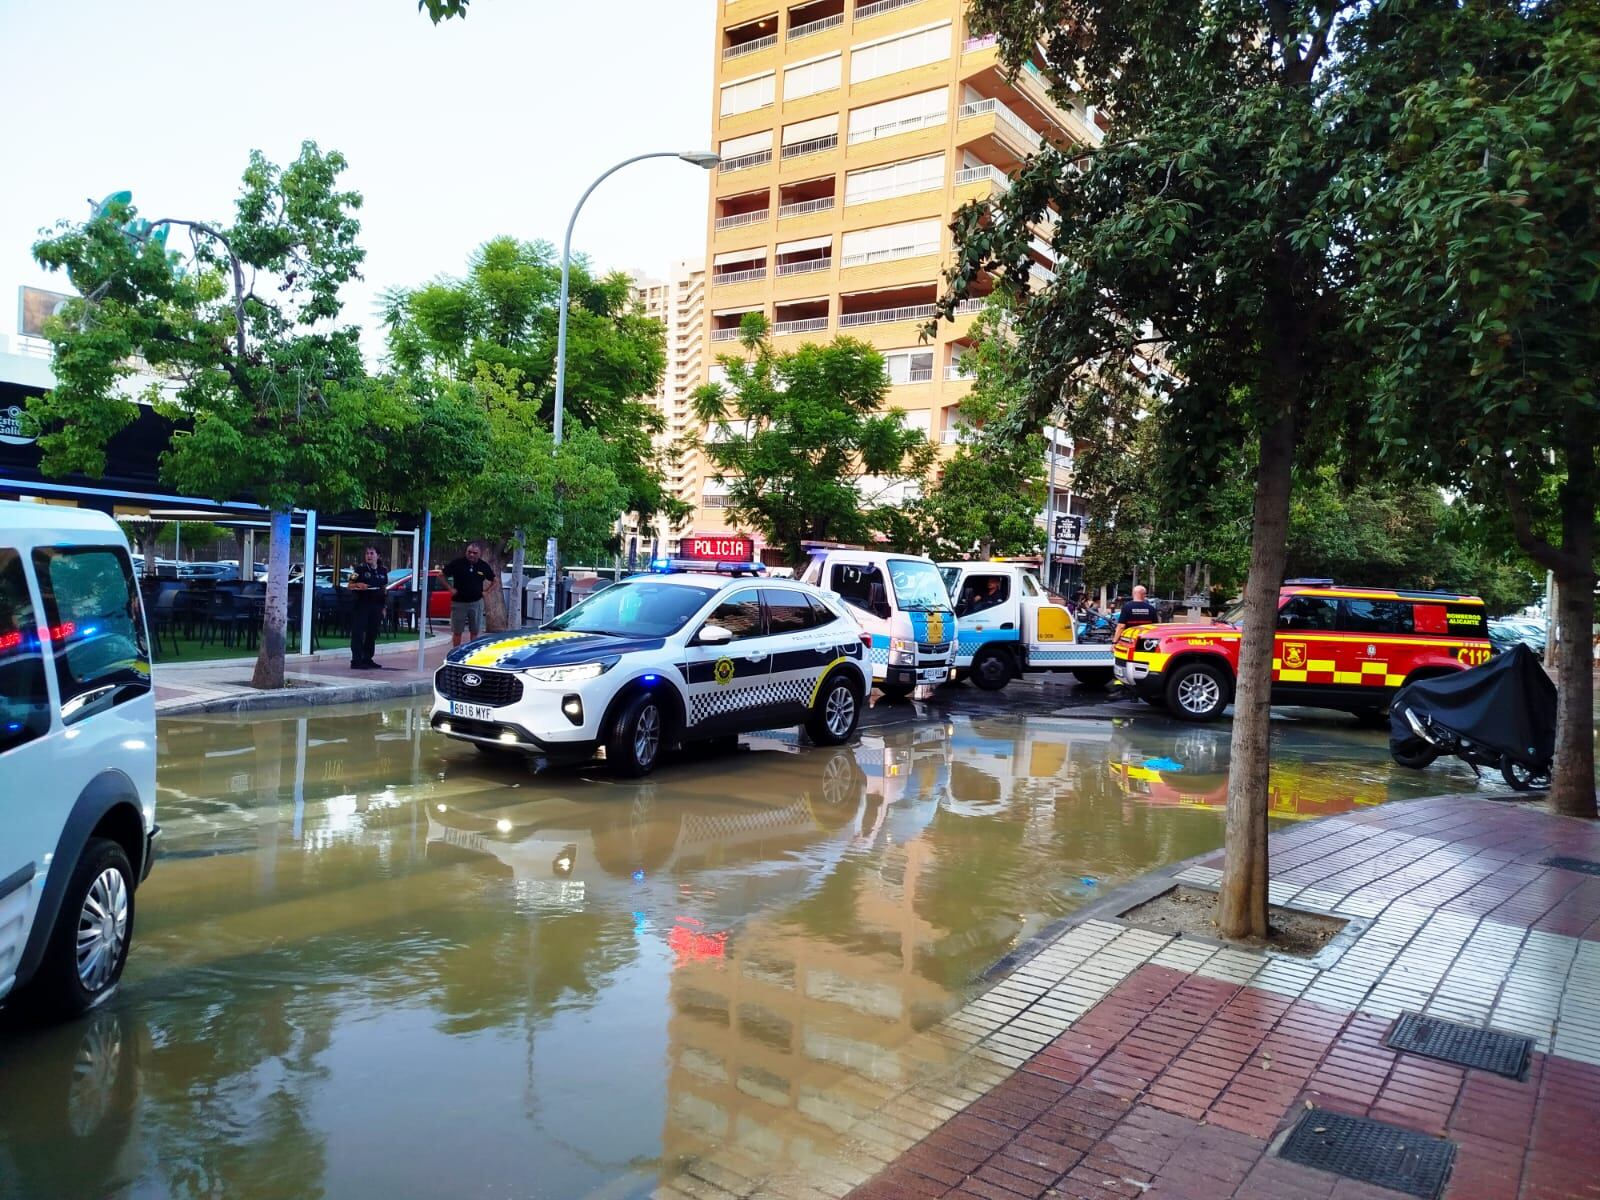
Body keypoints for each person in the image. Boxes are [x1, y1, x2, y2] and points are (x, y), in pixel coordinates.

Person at [442, 542, 495, 648]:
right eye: (469, 552)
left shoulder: (483, 566)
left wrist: (487, 591)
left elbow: (494, 580)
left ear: (479, 554)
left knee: (474, 631)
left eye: (475, 553)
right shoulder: (458, 563)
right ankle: (456, 652)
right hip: (459, 602)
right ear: (466, 552)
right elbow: (441, 575)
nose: (471, 555)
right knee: (457, 631)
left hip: (476, 603)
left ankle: (471, 652)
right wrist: (450, 588)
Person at [348, 546, 387, 669]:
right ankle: (356, 660)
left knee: (372, 633)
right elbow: (349, 585)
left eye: (372, 553)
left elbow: (384, 589)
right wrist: (358, 585)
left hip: (376, 606)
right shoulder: (359, 569)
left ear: (378, 556)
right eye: (367, 553)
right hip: (362, 605)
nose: (369, 556)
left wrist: (384, 606)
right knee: (358, 633)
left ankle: (368, 658)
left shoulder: (382, 570)